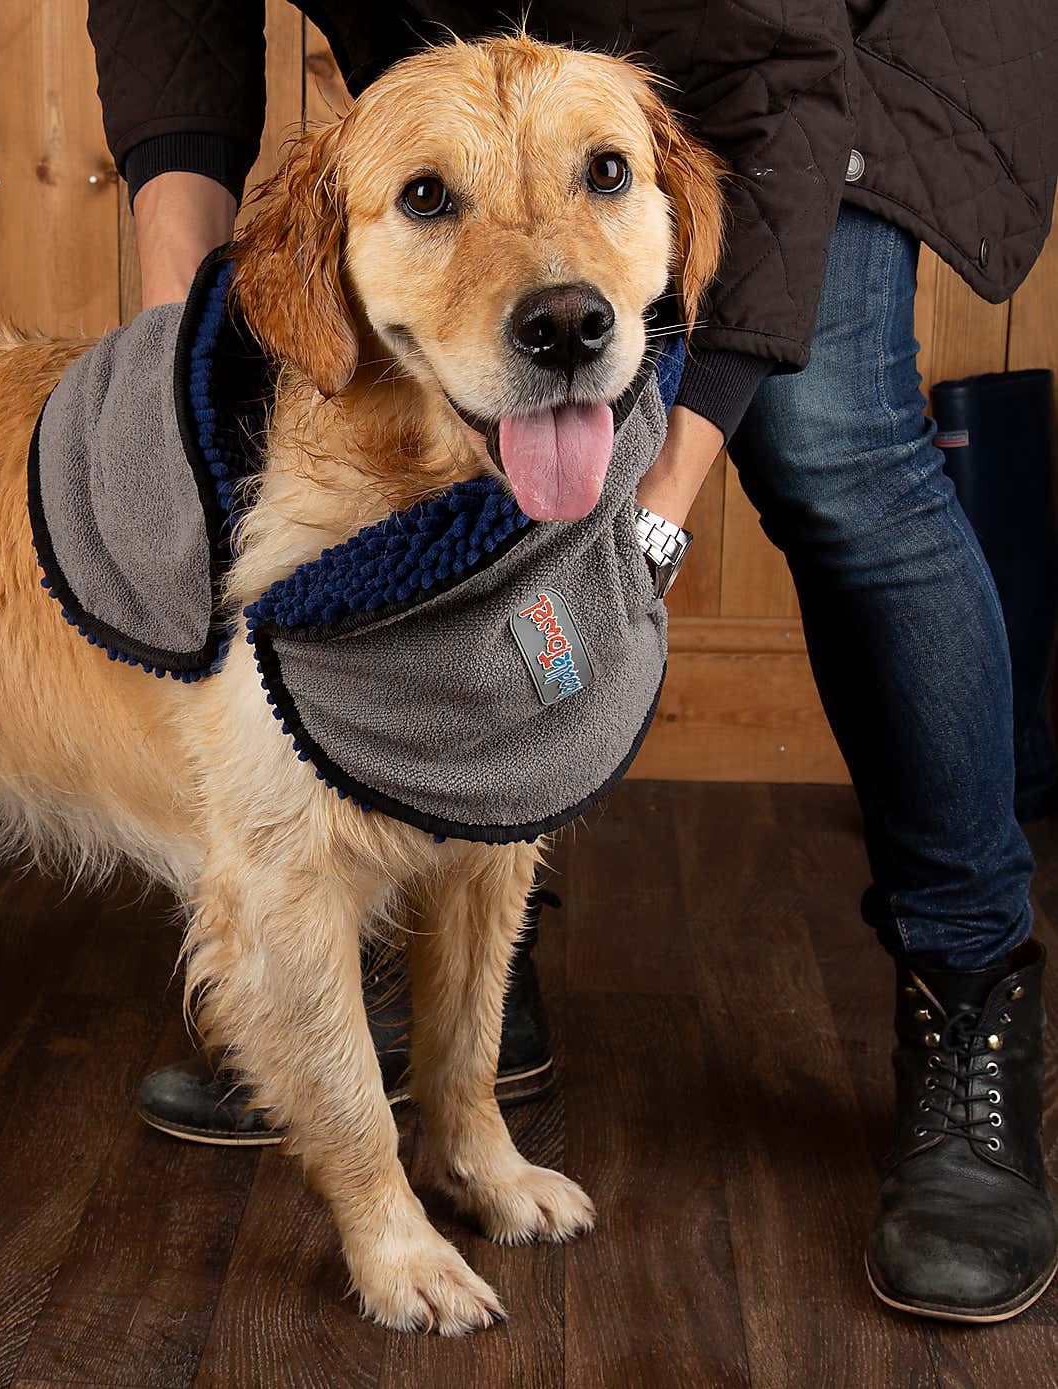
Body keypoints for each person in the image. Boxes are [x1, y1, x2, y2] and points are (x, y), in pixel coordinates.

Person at [86, 0, 1058, 1322]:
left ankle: (967, 1001)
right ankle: (469, 988)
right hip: (506, 35)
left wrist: (652, 508)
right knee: (427, 409)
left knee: (831, 443)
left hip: (838, 40)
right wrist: (175, 337)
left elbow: (780, 76)